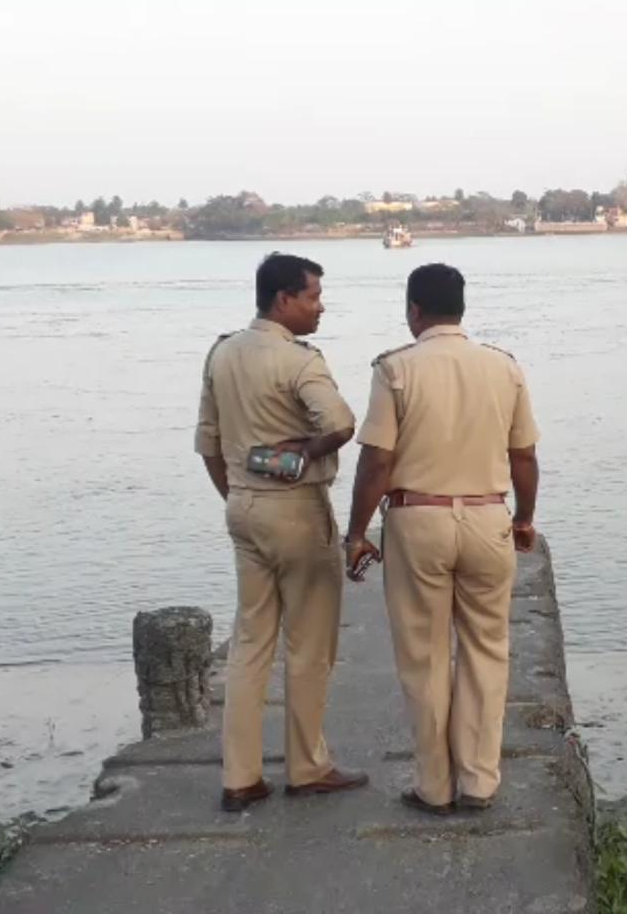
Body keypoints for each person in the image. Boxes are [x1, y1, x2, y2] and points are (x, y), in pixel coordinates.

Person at [343, 263, 541, 816]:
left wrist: (357, 533)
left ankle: (435, 786)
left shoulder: (396, 370)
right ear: (461, 308)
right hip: (487, 517)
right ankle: (479, 781)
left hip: (417, 519)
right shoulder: (504, 368)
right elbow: (524, 456)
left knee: (424, 656)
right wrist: (525, 519)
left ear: (413, 311)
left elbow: (377, 460)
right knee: (486, 650)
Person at [194, 251, 368, 813]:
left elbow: (209, 443)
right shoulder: (299, 362)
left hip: (243, 506)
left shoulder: (221, 353)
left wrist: (240, 494)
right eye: (313, 296)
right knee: (309, 645)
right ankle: (307, 765)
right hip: (295, 509)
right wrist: (307, 451)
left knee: (250, 645)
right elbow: (341, 422)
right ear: (284, 300)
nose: (320, 307)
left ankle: (240, 777)